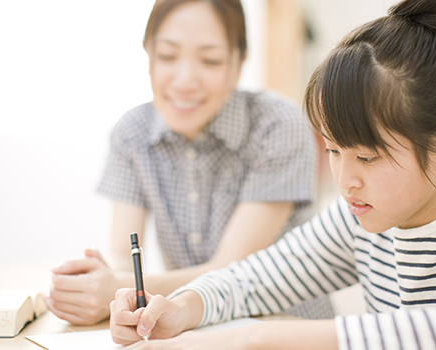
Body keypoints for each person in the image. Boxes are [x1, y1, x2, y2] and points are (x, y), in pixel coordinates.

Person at [108, 0, 436, 348]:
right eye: (333, 150)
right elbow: (253, 279)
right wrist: (181, 309)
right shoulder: (358, 221)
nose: (345, 180)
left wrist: (253, 339)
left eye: (367, 157)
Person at [43, 0, 334, 325]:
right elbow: (125, 259)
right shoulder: (131, 133)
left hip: (288, 329)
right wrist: (99, 280)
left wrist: (116, 286)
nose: (184, 80)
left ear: (238, 64)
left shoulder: (278, 124)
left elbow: (230, 269)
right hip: (190, 330)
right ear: (149, 58)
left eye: (210, 60)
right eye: (167, 56)